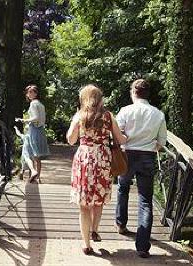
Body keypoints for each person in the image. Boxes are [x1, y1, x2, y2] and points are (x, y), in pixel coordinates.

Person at [67, 84, 126, 255]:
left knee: (84, 205)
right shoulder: (108, 116)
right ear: (100, 98)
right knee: (98, 199)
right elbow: (120, 139)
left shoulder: (79, 116)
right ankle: (95, 229)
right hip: (103, 159)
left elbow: (71, 140)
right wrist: (128, 136)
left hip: (84, 158)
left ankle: (86, 245)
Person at [115, 79, 167, 258]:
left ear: (133, 92)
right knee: (145, 199)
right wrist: (149, 148)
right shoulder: (158, 114)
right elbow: (161, 142)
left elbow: (117, 135)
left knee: (122, 188)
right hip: (147, 157)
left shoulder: (125, 111)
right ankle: (143, 246)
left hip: (127, 155)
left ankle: (121, 223)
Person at [15, 84, 50, 183]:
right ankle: (38, 177)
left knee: (27, 153)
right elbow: (42, 118)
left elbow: (35, 118)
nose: (28, 94)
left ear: (36, 93)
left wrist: (24, 120)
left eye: (31, 92)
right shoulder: (40, 104)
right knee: (36, 156)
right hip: (40, 130)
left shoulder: (33, 104)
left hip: (34, 130)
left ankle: (34, 172)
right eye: (27, 92)